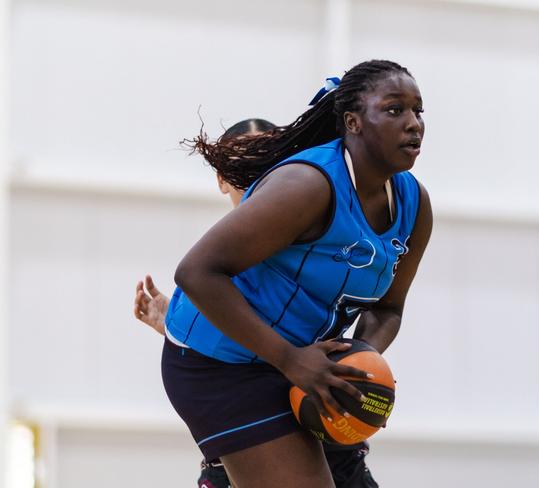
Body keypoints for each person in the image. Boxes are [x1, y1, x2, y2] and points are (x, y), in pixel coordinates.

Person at [162, 59, 432, 488]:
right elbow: (196, 273)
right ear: (353, 122)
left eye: (419, 111)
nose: (414, 124)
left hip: (302, 360)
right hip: (218, 362)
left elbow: (389, 308)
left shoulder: (415, 205)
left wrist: (357, 359)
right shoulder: (307, 184)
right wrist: (291, 360)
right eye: (395, 109)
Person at [134, 118, 380, 487]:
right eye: (241, 159)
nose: (254, 168)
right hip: (245, 449)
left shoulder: (314, 243)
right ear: (220, 178)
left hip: (325, 434)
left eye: (265, 156)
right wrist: (174, 327)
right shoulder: (213, 265)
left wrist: (365, 372)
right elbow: (224, 357)